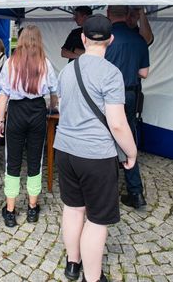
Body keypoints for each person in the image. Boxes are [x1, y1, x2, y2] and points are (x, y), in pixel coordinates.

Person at [54, 15, 137, 282]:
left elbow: (62, 107)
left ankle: (73, 263)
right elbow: (118, 124)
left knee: (73, 208)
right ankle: (92, 277)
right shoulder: (112, 74)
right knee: (97, 219)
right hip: (96, 155)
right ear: (110, 40)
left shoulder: (67, 71)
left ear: (83, 38)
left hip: (65, 150)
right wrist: (132, 152)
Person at [0, 25, 58, 227]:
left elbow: (3, 93)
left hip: (16, 111)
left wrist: (0, 120)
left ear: (21, 40)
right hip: (37, 110)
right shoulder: (45, 63)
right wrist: (52, 107)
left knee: (12, 161)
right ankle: (32, 208)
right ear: (39, 41)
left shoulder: (10, 63)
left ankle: (10, 211)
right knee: (35, 160)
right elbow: (54, 92)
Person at [105, 5, 150, 209]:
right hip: (131, 94)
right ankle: (136, 192)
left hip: (108, 95)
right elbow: (144, 73)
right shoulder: (139, 39)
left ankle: (105, 191)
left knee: (105, 138)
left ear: (108, 14)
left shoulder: (106, 38)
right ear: (126, 14)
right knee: (128, 137)